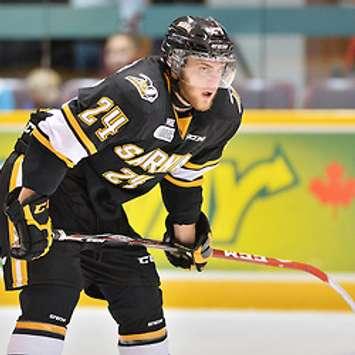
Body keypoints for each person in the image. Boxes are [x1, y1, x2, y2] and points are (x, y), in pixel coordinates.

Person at [0, 15, 242, 355]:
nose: (214, 79)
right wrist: (28, 208)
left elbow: (183, 173)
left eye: (221, 68)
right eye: (203, 67)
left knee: (141, 297)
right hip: (49, 185)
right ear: (175, 63)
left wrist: (185, 237)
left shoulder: (223, 112)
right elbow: (51, 140)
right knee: (54, 294)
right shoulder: (135, 93)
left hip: (99, 202)